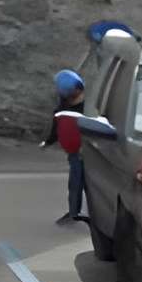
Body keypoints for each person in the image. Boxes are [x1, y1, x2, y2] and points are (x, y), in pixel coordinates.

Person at [47, 67, 87, 225]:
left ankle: (83, 214)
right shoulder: (64, 104)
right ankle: (74, 213)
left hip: (89, 151)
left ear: (78, 88)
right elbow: (57, 123)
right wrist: (49, 140)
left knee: (88, 184)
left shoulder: (90, 105)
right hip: (75, 151)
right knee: (75, 183)